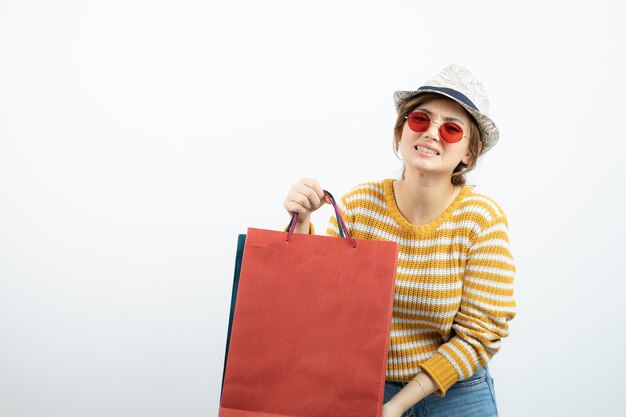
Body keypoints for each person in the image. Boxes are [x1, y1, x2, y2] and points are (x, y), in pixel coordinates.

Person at [283, 64, 515, 417]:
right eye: (421, 119)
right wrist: (302, 221)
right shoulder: (362, 205)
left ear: (469, 153)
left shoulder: (482, 219)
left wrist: (397, 407)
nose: (433, 133)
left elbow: (480, 334)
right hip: (363, 386)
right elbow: (321, 302)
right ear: (401, 130)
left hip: (455, 393)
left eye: (451, 129)